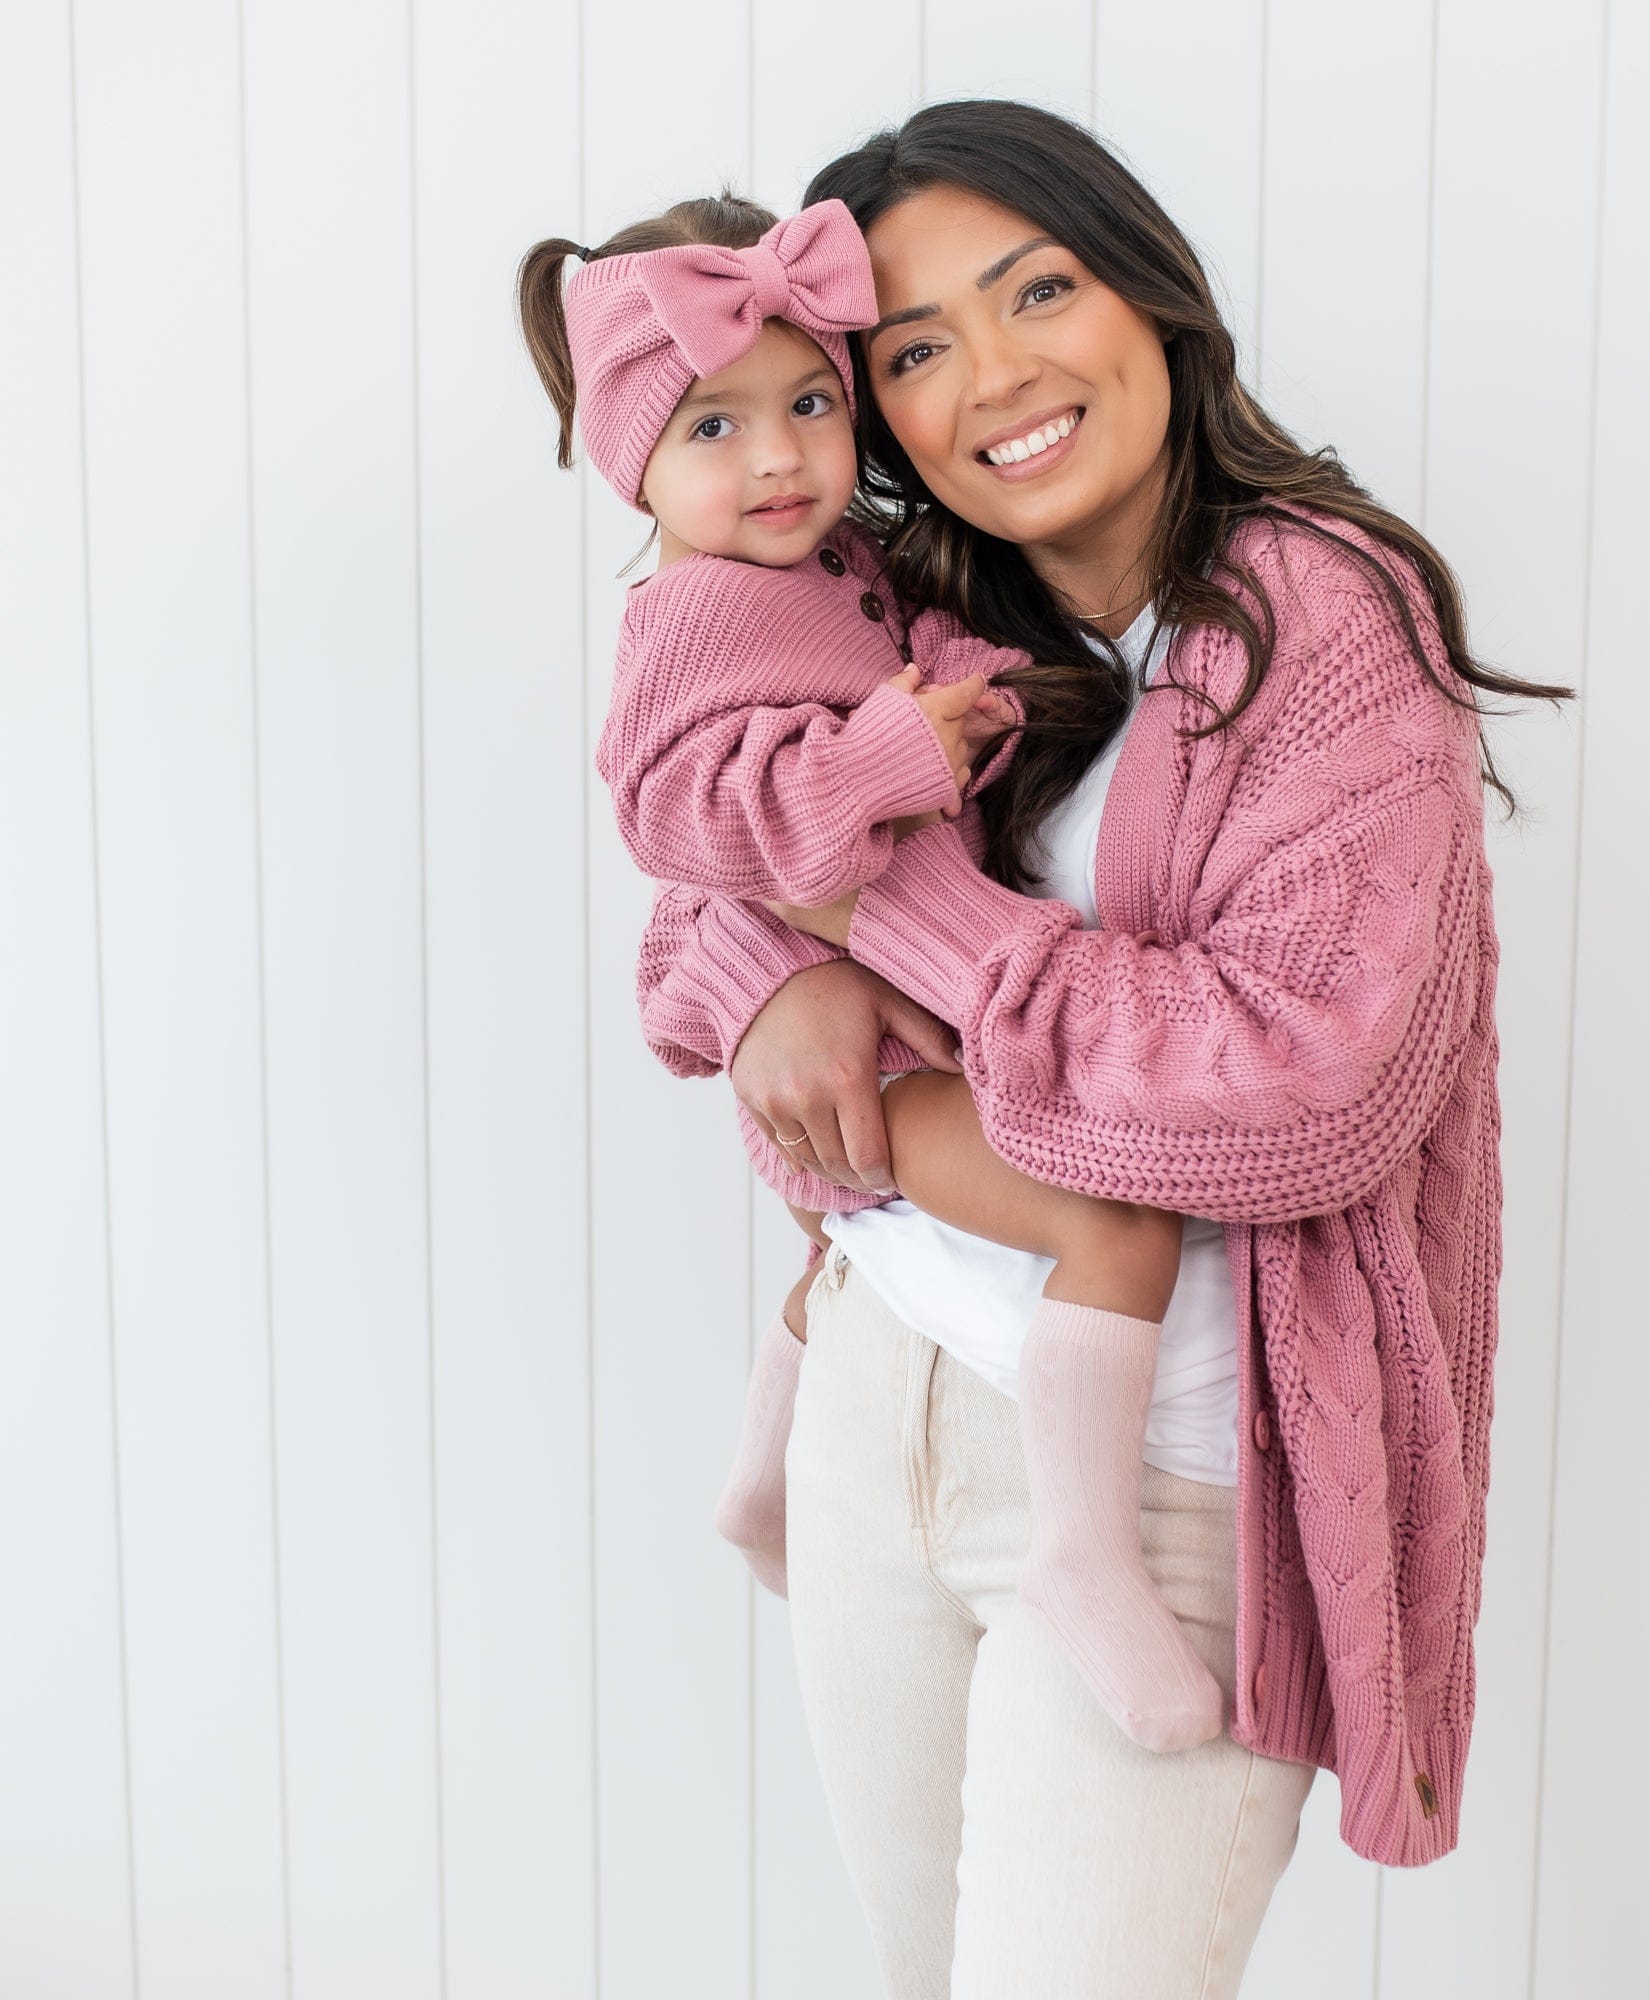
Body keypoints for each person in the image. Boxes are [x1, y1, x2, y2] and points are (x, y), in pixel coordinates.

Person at [626, 99, 1570, 1996]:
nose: (994, 377)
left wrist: (882, 929)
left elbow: (1297, 1094)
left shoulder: (1329, 621)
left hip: (1165, 1485)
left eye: (1036, 288)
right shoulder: (913, 607)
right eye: (912, 350)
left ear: (1149, 292)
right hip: (877, 1381)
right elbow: (692, 872)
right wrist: (768, 984)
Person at [516, 192, 1236, 1752]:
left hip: (893, 1033)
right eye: (715, 425)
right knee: (1115, 1222)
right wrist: (887, 757)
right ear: (630, 460)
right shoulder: (691, 617)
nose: (776, 458)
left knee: (842, 1250)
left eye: (810, 405)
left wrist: (975, 686)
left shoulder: (838, 556)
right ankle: (1086, 1550)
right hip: (889, 1053)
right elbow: (685, 812)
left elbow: (908, 653)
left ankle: (761, 1480)